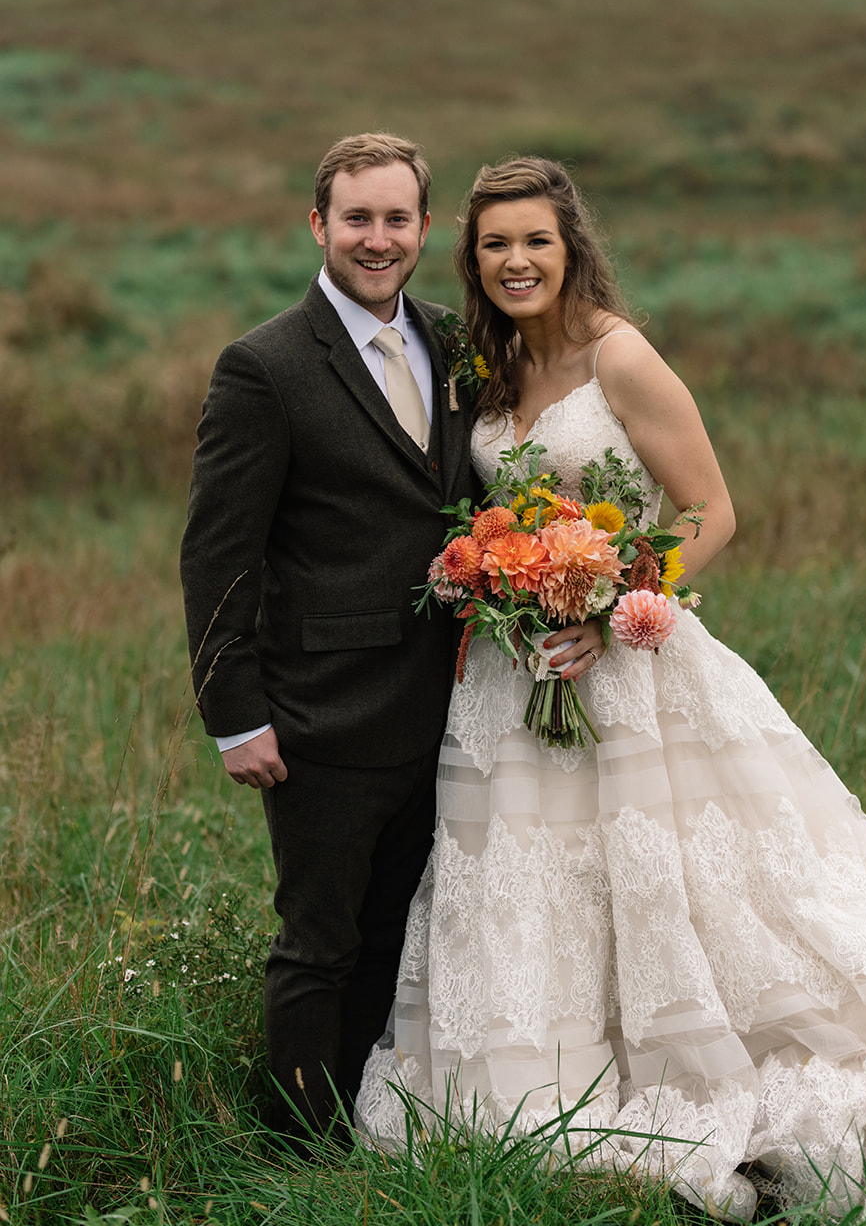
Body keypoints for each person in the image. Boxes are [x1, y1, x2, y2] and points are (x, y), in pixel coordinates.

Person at [357, 155, 866, 1216]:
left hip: (630, 664)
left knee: (703, 885)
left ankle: (713, 1062)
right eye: (494, 243)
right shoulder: (486, 372)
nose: (515, 260)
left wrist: (612, 604)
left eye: (535, 241)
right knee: (528, 884)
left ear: (570, 246)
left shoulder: (621, 358)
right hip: (512, 678)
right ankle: (550, 1078)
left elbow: (709, 509)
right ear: (472, 258)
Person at [179, 134, 603, 1140]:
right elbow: (218, 554)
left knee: (399, 936)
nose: (378, 239)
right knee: (318, 940)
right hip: (320, 709)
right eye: (357, 218)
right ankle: (291, 1148)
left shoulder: (459, 341)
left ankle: (366, 1126)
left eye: (397, 219)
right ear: (318, 224)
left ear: (425, 228)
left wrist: (577, 589)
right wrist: (233, 715)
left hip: (456, 701)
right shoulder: (265, 365)